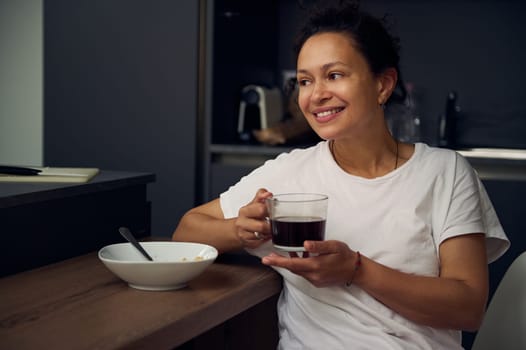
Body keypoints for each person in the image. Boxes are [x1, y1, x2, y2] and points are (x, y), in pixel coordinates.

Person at [173, 1, 509, 348]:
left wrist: (356, 270)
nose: (316, 95)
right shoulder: (290, 171)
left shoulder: (445, 172)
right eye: (305, 81)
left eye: (334, 75)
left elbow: (467, 307)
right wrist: (240, 231)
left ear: (383, 84)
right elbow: (185, 232)